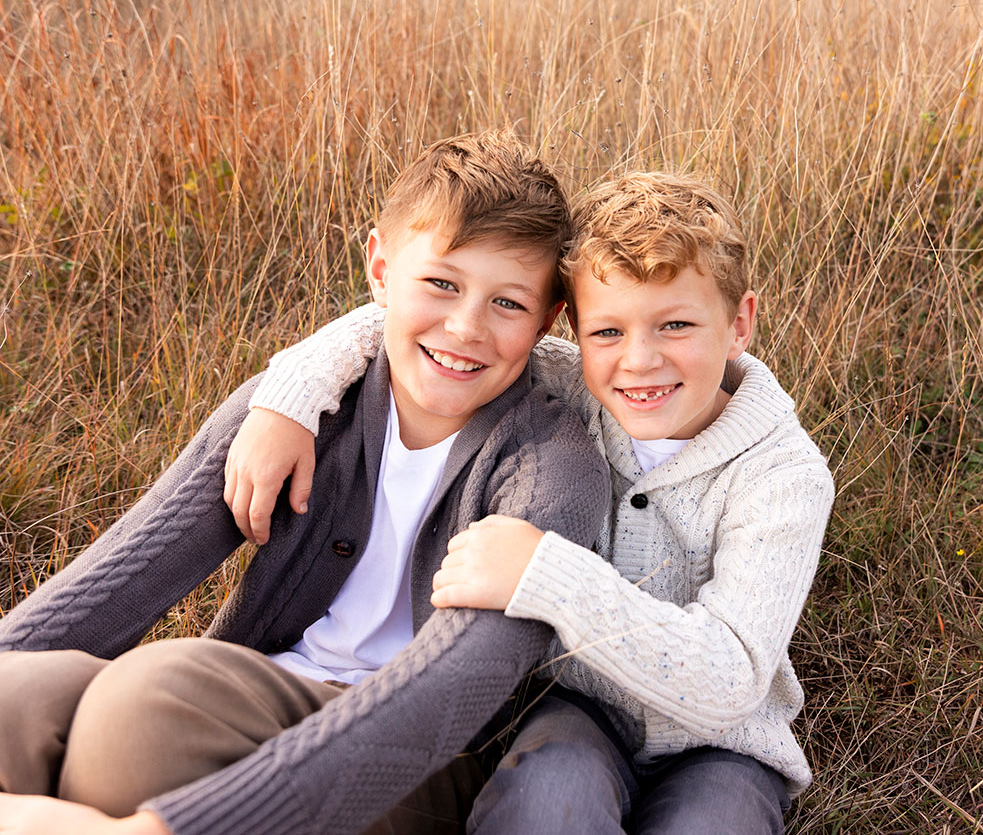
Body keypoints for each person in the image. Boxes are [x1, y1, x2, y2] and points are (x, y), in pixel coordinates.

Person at [0, 130, 610, 835]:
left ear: (547, 321)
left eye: (507, 303)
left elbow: (454, 688)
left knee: (143, 710)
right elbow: (124, 573)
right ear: (381, 268)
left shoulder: (553, 466)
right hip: (256, 692)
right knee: (16, 692)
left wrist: (170, 826)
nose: (466, 326)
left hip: (420, 761)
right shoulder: (296, 408)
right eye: (441, 283)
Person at [226, 171, 836, 833]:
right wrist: (288, 395)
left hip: (724, 747)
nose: (639, 361)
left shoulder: (784, 474)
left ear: (739, 322)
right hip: (576, 710)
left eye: (677, 324)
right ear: (573, 329)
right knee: (543, 805)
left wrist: (547, 575)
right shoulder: (573, 385)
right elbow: (410, 332)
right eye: (608, 332)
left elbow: (729, 678)